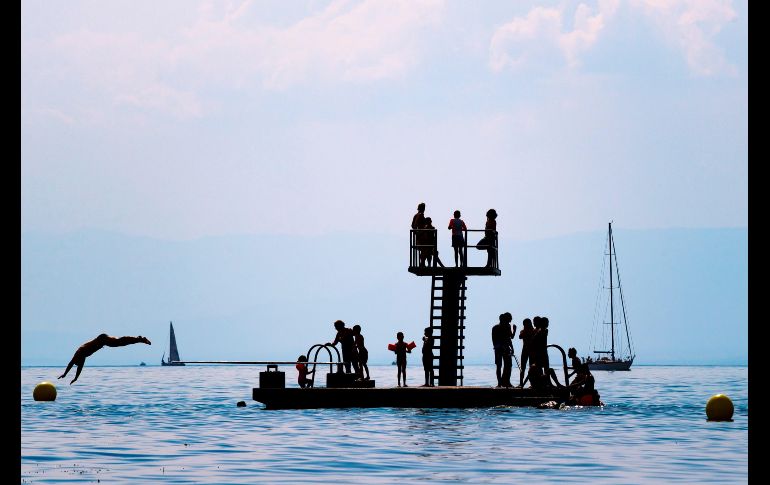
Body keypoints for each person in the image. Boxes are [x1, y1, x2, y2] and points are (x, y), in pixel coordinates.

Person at [58, 333, 151, 384]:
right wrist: (75, 378)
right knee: (119, 343)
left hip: (101, 340)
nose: (80, 364)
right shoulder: (82, 358)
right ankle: (139, 339)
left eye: (78, 363)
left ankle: (139, 339)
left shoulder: (79, 354)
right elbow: (79, 368)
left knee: (119, 342)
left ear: (76, 360)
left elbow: (71, 364)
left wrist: (65, 374)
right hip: (101, 342)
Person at [491, 313, 514, 387]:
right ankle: (500, 383)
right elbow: (494, 340)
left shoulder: (507, 326)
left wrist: (512, 347)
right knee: (499, 366)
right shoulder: (495, 328)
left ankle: (506, 381)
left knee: (508, 365)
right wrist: (499, 347)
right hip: (499, 349)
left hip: (505, 348)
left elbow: (509, 338)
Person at [517, 318, 535, 388]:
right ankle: (521, 383)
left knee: (532, 368)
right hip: (525, 350)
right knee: (523, 367)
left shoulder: (534, 331)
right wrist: (527, 331)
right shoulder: (523, 331)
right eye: (525, 324)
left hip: (532, 351)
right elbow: (520, 336)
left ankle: (532, 383)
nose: (527, 325)